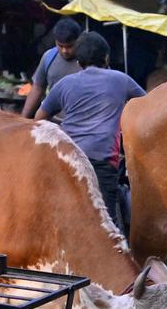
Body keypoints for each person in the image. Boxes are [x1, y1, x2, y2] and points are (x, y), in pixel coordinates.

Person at [34, 32, 145, 231]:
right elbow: (147, 106)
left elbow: (39, 120)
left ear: (78, 62)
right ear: (107, 58)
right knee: (105, 225)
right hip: (102, 161)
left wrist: (62, 128)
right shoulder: (121, 80)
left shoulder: (64, 84)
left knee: (66, 219)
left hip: (68, 159)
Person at [21, 18, 83, 117]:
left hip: (80, 125)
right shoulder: (49, 57)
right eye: (60, 46)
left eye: (69, 46)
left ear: (79, 40)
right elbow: (37, 88)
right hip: (52, 123)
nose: (64, 51)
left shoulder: (89, 59)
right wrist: (23, 119)